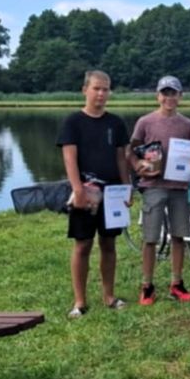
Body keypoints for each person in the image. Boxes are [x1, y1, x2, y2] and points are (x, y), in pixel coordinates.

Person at [57, 70, 131, 318]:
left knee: (109, 244)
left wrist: (126, 187)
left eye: (105, 89)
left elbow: (121, 158)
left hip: (112, 193)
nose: (101, 93)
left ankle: (109, 296)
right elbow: (69, 158)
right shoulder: (73, 122)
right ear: (85, 90)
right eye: (96, 88)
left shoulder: (116, 123)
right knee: (83, 244)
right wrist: (77, 189)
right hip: (85, 192)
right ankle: (80, 301)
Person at [128, 75, 190, 305]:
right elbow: (131, 150)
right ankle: (147, 285)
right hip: (153, 186)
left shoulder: (188, 125)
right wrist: (138, 166)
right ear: (158, 96)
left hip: (179, 187)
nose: (169, 98)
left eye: (173, 93)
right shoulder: (145, 122)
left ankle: (177, 283)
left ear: (180, 96)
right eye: (165, 93)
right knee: (150, 238)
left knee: (179, 235)